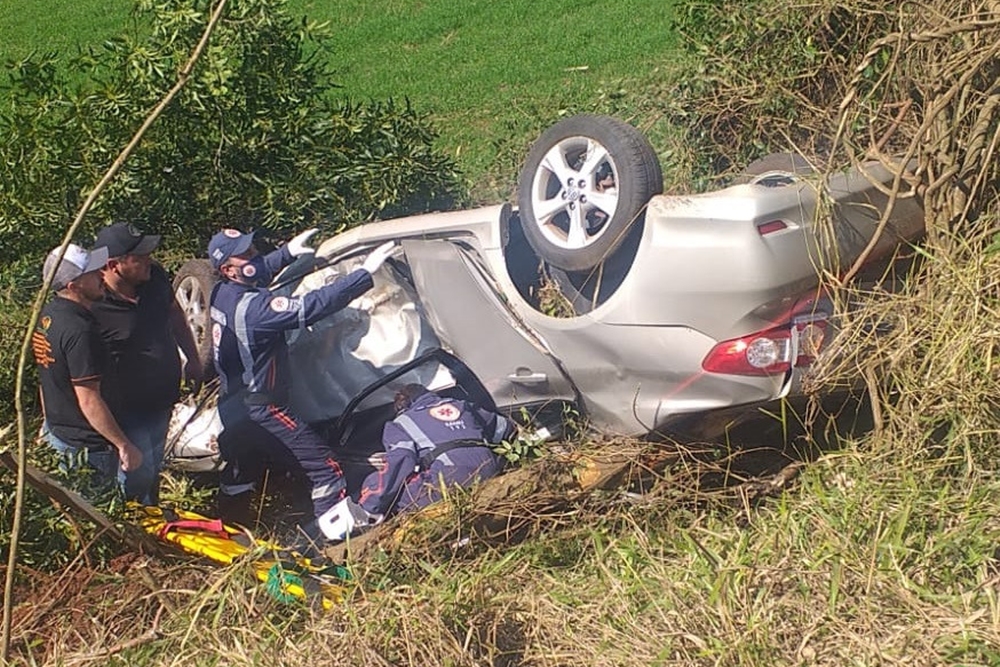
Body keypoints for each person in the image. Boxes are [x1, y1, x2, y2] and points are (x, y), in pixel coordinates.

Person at [208, 225, 396, 536]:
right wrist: (361, 276)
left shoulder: (220, 293)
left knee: (244, 465)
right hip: (265, 409)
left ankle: (229, 526)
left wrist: (286, 254)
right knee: (326, 468)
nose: (255, 256)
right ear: (228, 269)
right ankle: (333, 540)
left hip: (233, 405)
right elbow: (312, 307)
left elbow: (255, 272)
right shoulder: (254, 311)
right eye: (248, 254)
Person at [90, 222, 204, 505]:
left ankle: (150, 516)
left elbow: (175, 314)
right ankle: (127, 526)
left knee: (153, 468)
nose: (148, 260)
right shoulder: (93, 300)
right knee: (136, 471)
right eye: (138, 257)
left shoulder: (154, 278)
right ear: (113, 265)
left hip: (162, 398)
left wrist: (193, 357)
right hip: (127, 408)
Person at [33, 243, 143, 497]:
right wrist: (123, 444)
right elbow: (89, 399)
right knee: (94, 521)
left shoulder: (47, 317)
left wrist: (47, 423)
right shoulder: (80, 330)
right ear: (74, 286)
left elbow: (46, 376)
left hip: (58, 434)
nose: (102, 275)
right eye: (93, 273)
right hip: (86, 450)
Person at [356, 383, 512, 519]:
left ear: (401, 406)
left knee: (388, 490)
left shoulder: (400, 423)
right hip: (491, 469)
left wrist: (369, 506)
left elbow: (400, 461)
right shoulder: (462, 405)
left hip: (450, 481)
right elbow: (504, 428)